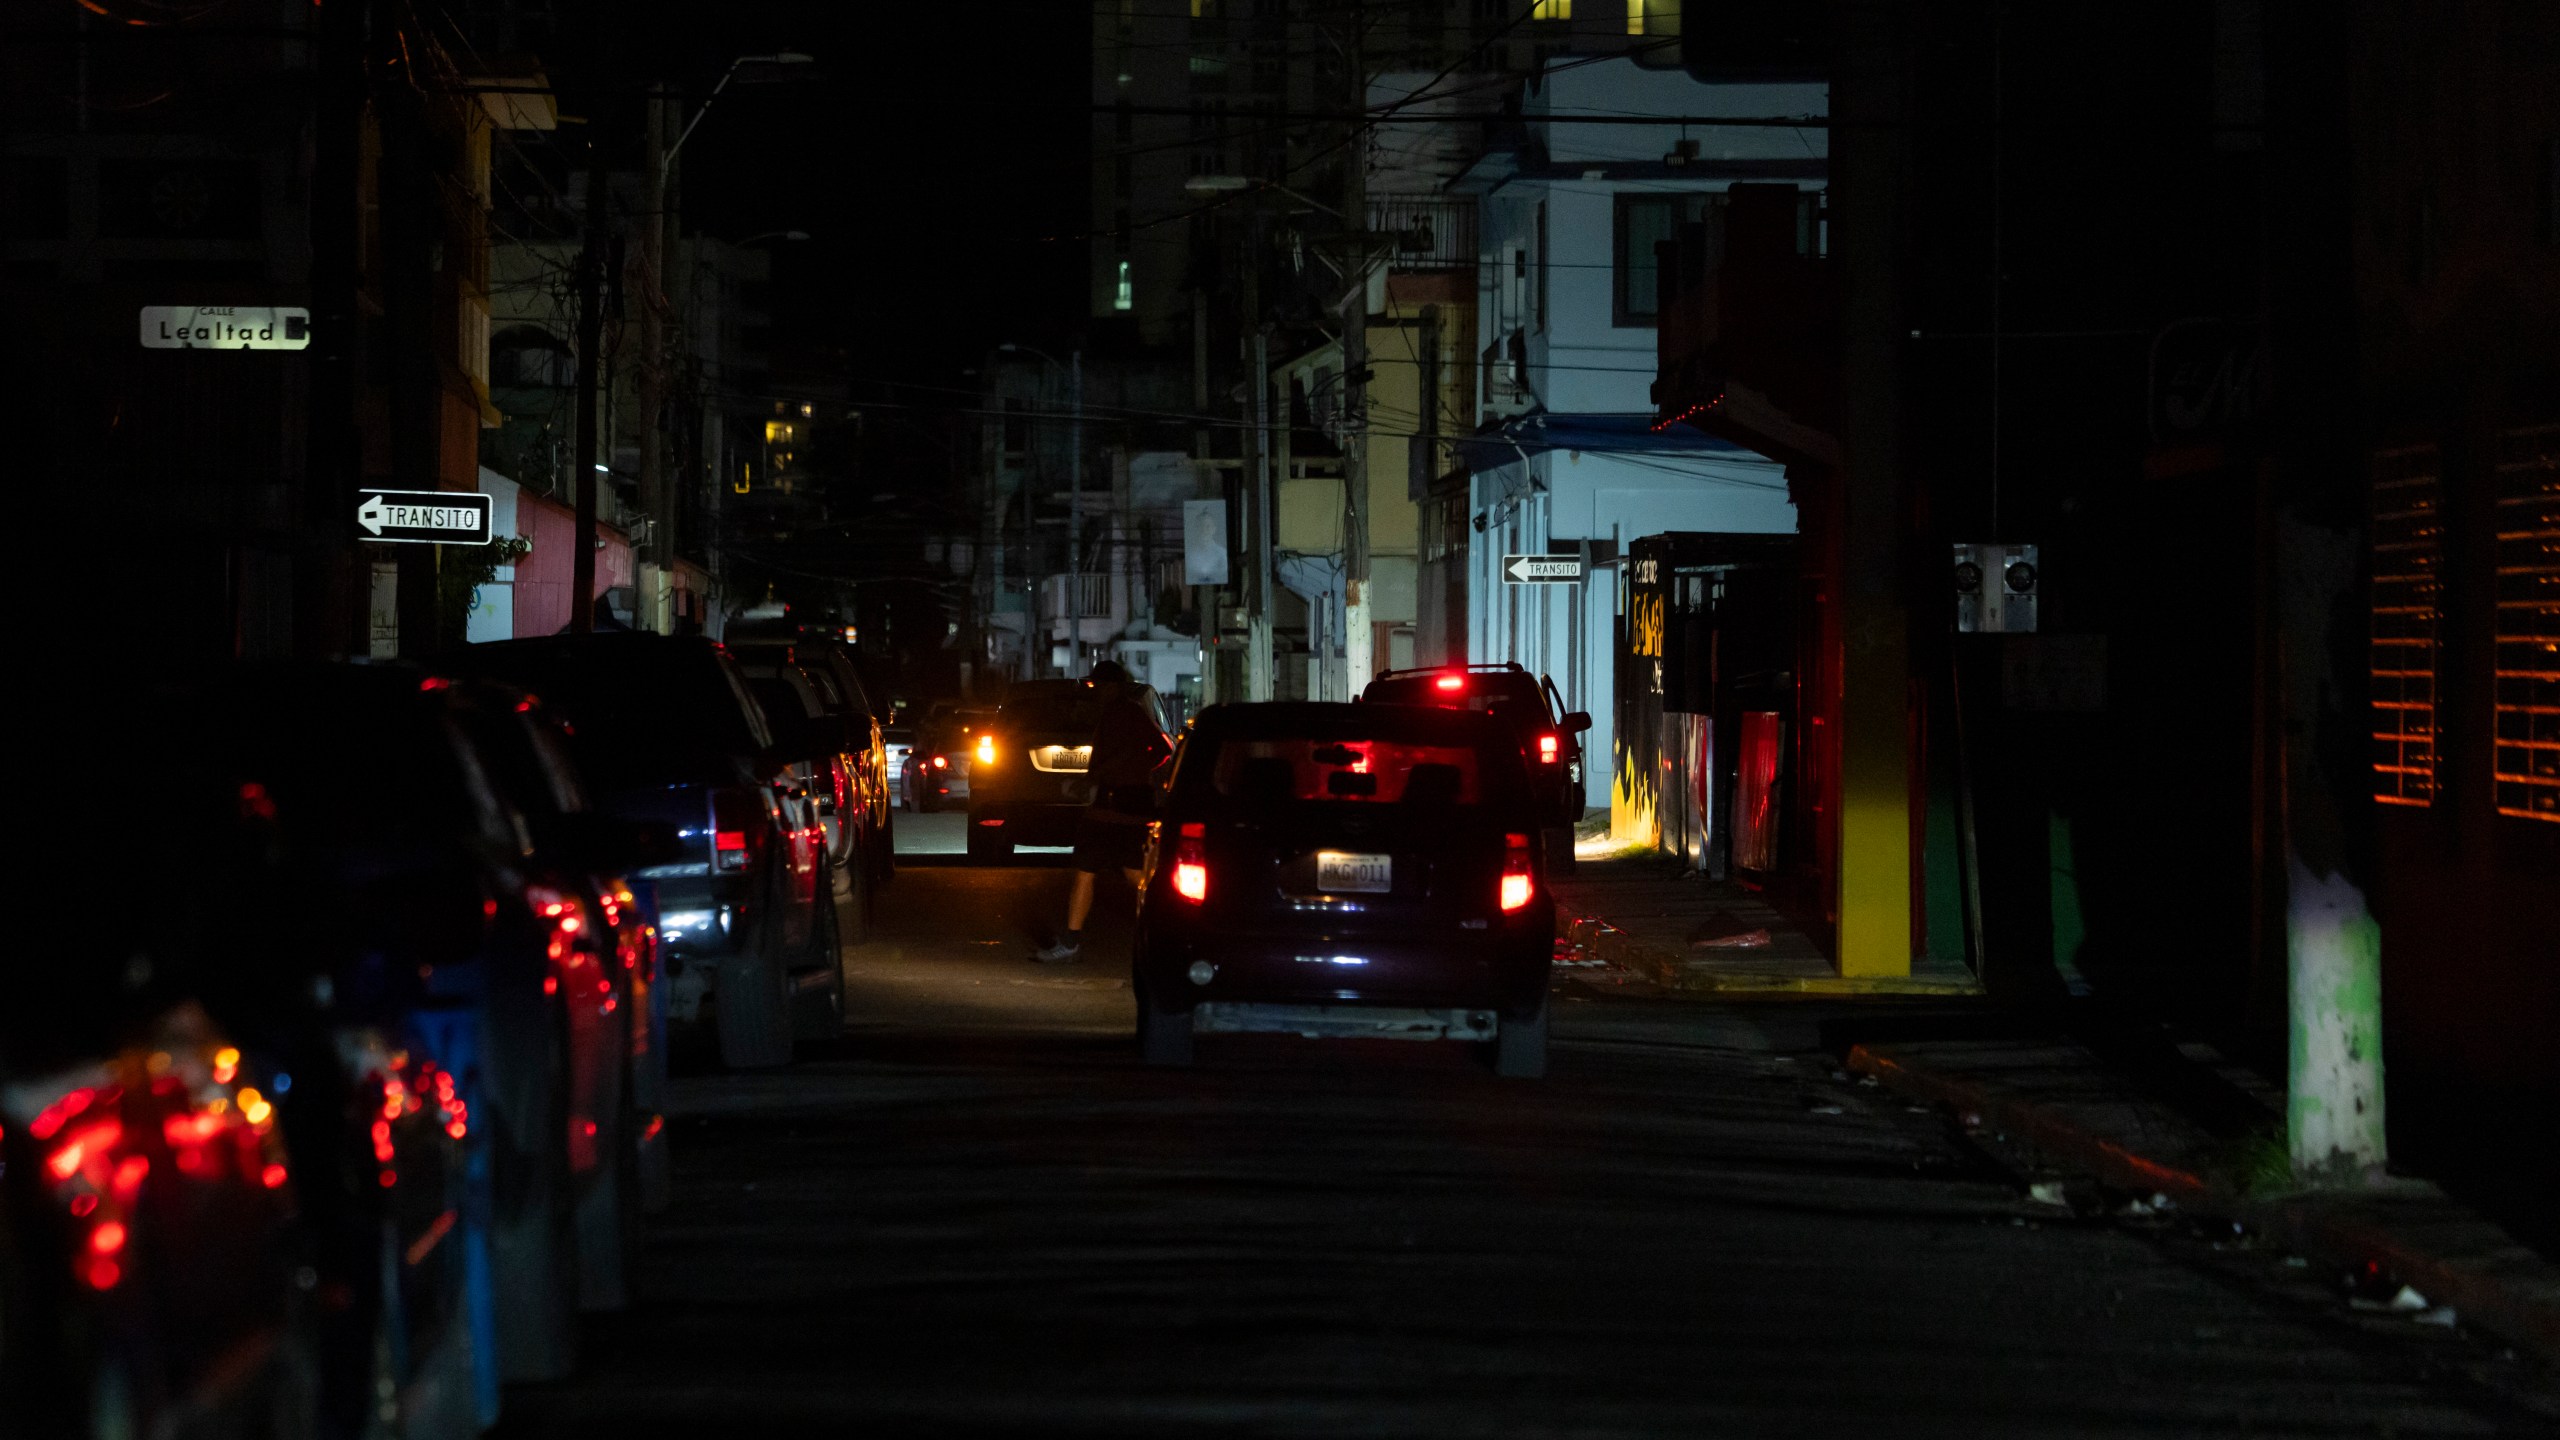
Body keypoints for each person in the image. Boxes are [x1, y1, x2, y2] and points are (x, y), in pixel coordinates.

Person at [1031, 660, 1172, 963]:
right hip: (1120, 803)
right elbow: (1158, 749)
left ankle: (1164, 934)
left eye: (1098, 686)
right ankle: (1163, 936)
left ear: (1113, 687)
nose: (1094, 692)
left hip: (1119, 803)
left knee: (1105, 872)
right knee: (1112, 871)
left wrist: (1115, 770)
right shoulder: (1120, 713)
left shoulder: (1125, 712)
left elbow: (1159, 749)